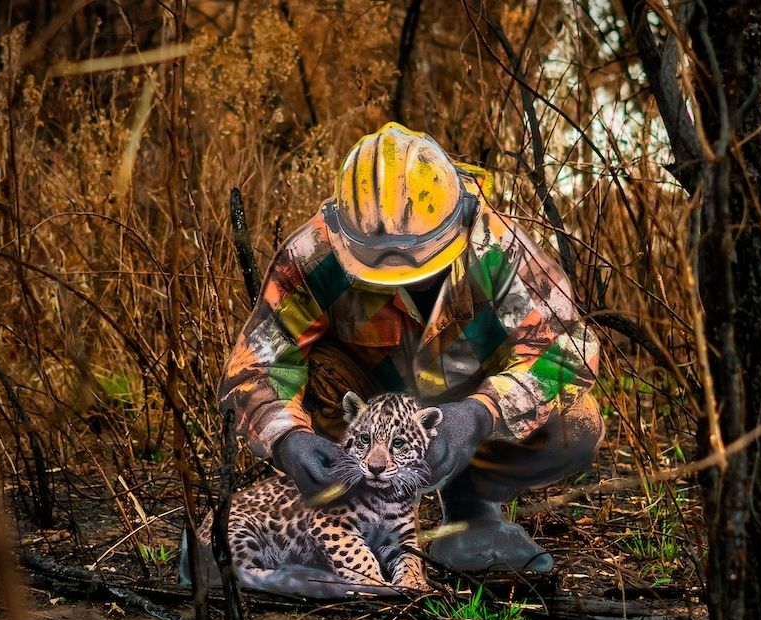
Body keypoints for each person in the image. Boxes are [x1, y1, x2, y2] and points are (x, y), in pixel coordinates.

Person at [217, 122, 603, 575]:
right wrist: (287, 439)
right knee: (309, 376)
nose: (404, 277)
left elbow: (568, 350)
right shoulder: (316, 252)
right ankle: (344, 529)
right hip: (360, 432)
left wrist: (480, 413)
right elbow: (256, 365)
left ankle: (470, 508)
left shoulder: (496, 245)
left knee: (577, 422)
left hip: (472, 399)